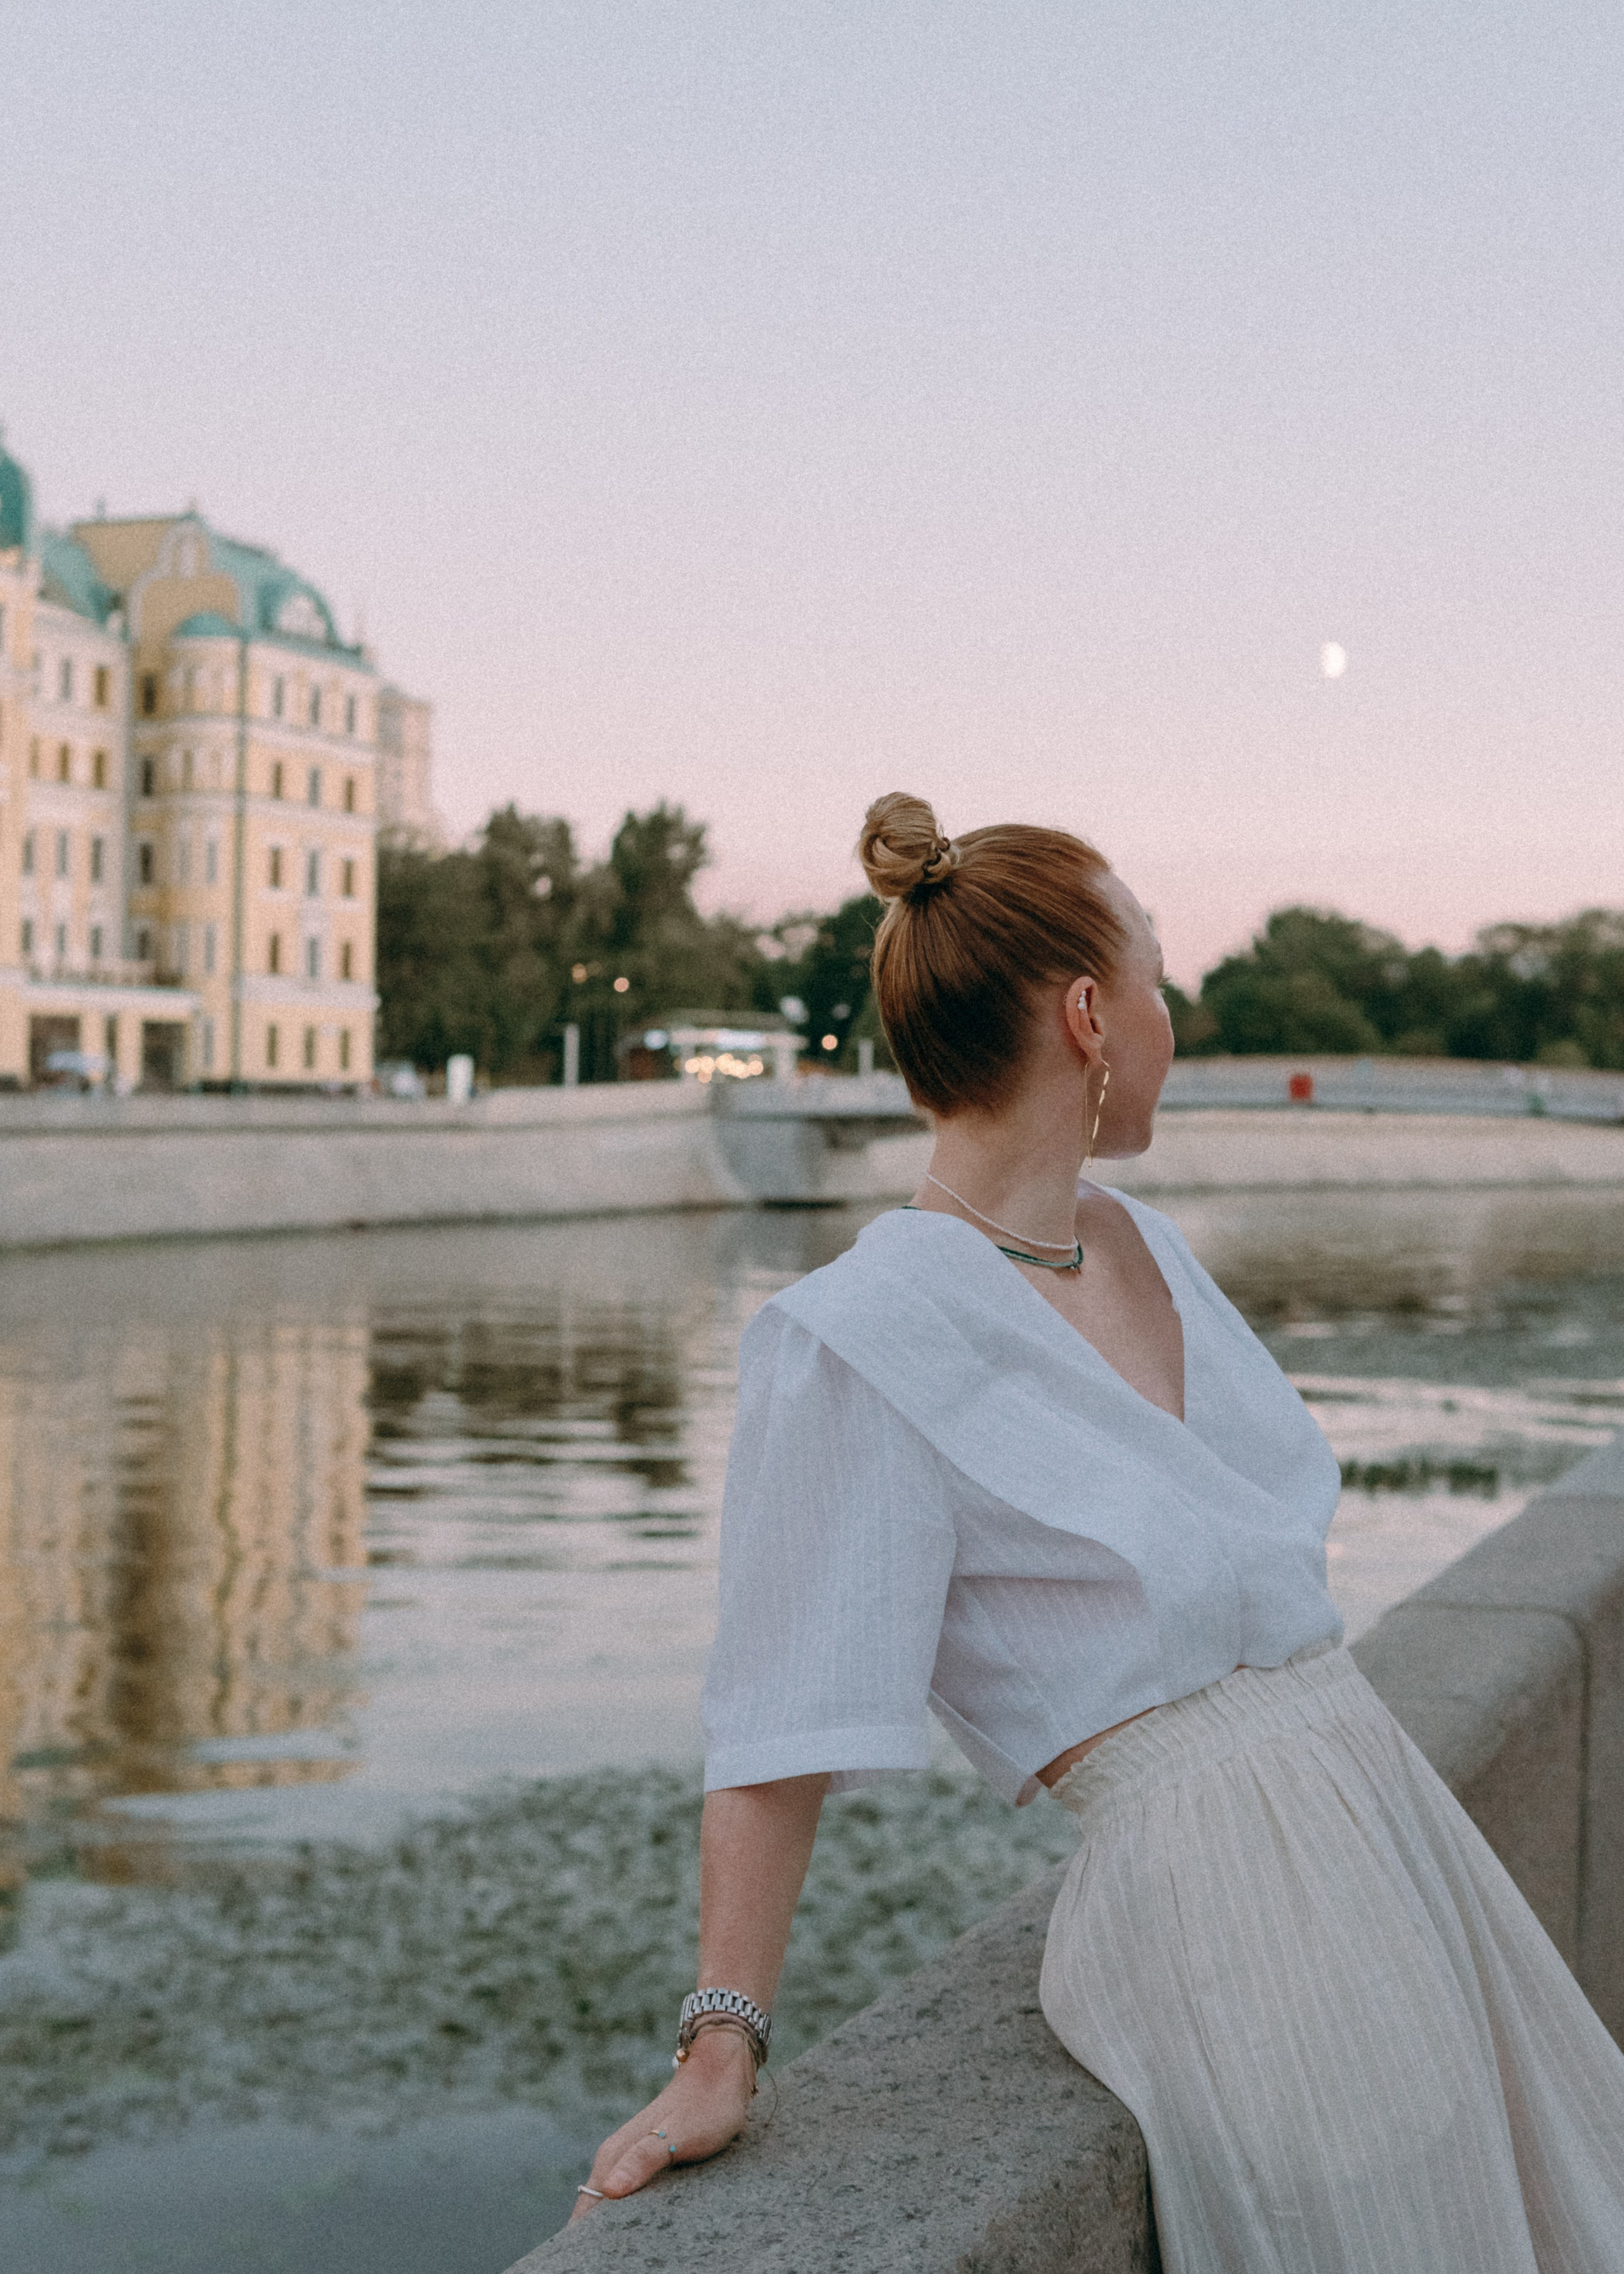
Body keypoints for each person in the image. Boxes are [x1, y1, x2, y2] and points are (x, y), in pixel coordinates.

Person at [575, 794, 1624, 2269]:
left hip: (1382, 1836)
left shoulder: (1145, 1242)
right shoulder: (857, 1335)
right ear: (1086, 1013)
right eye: (1156, 978)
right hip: (1224, 1909)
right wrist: (719, 2045)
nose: (1171, 1016)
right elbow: (779, 1725)